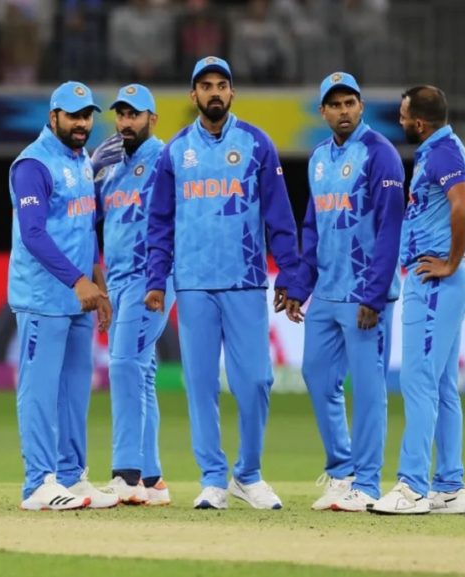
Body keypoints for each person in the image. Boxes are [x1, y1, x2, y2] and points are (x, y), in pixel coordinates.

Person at [145, 56, 300, 510]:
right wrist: (157, 278)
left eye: (221, 85)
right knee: (200, 384)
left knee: (256, 381)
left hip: (245, 280)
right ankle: (213, 478)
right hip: (193, 284)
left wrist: (290, 274)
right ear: (193, 95)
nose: (214, 92)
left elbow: (280, 216)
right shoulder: (175, 151)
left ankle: (247, 474)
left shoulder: (256, 143)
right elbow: (159, 223)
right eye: (206, 86)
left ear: (232, 93)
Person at [284, 72, 404, 512]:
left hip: (364, 296)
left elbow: (390, 228)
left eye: (349, 102)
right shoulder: (318, 158)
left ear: (361, 106)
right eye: (334, 105)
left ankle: (367, 484)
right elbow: (312, 225)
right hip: (326, 294)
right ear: (323, 112)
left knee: (369, 389)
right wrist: (300, 285)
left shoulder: (380, 153)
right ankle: (342, 472)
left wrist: (374, 295)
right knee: (317, 376)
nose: (343, 111)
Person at [9, 80, 117, 511]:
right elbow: (33, 234)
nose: (82, 124)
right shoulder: (32, 165)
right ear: (53, 116)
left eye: (87, 115)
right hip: (43, 298)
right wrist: (78, 281)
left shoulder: (82, 161)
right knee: (39, 391)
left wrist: (97, 280)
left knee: (74, 391)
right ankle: (38, 483)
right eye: (73, 116)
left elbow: (84, 227)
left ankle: (72, 477)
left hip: (78, 298)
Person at [371, 86, 465, 516]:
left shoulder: (443, 153)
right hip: (442, 281)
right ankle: (449, 487)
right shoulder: (441, 150)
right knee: (441, 386)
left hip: (433, 282)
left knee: (417, 381)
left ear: (418, 121)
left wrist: (449, 262)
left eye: (402, 115)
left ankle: (412, 486)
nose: (399, 121)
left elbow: (464, 208)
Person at [90, 84, 175, 506]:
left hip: (151, 277)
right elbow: (91, 218)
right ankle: (153, 478)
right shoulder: (109, 166)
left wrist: (160, 279)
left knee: (124, 365)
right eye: (121, 114)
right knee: (140, 373)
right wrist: (90, 171)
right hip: (119, 278)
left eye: (134, 115)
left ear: (152, 120)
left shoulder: (164, 159)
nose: (125, 122)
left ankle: (126, 474)